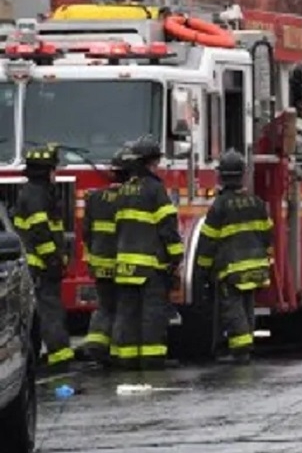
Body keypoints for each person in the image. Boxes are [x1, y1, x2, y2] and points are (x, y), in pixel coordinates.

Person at [112, 135, 184, 369]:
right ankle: (152, 360)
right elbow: (167, 227)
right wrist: (176, 257)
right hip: (150, 267)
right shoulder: (155, 189)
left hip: (125, 267)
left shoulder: (124, 191)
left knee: (128, 314)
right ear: (152, 162)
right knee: (152, 314)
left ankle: (128, 360)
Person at [196, 149, 274, 364]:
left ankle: (241, 350)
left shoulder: (220, 205)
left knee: (233, 308)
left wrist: (203, 270)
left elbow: (208, 241)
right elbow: (268, 234)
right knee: (247, 305)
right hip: (257, 266)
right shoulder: (257, 202)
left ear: (221, 176)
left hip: (231, 270)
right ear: (243, 174)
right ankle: (245, 344)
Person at [15, 144, 74, 371]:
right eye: (53, 169)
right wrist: (52, 259)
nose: (55, 174)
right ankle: (60, 357)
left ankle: (41, 356)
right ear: (45, 171)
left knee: (40, 311)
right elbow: (40, 231)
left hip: (36, 264)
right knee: (50, 310)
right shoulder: (37, 195)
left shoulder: (36, 192)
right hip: (39, 265)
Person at [78, 143, 138, 364]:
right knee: (123, 307)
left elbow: (86, 232)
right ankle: (118, 351)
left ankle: (96, 343)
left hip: (100, 263)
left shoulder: (95, 197)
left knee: (104, 305)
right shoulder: (132, 198)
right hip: (123, 263)